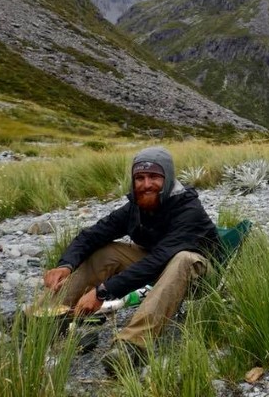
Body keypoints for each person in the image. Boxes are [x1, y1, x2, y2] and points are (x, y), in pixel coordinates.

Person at [42, 146, 220, 375]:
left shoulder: (188, 209)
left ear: (168, 178)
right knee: (107, 251)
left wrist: (102, 292)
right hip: (160, 267)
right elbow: (92, 235)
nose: (146, 184)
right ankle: (49, 316)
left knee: (183, 258)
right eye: (140, 177)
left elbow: (159, 260)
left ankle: (132, 345)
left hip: (200, 275)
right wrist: (65, 264)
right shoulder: (135, 207)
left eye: (154, 176)